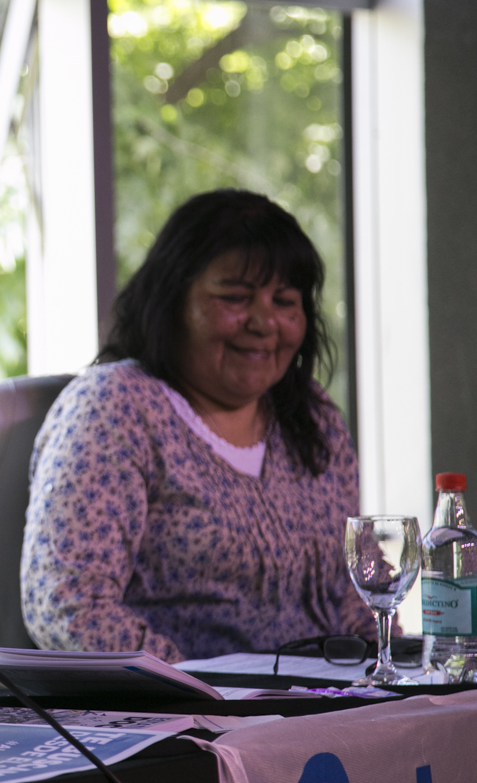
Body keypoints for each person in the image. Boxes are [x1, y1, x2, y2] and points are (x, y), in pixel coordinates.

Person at [20, 189, 373, 663]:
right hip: (182, 703)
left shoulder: (313, 416)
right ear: (172, 301)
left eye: (285, 301)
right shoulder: (116, 408)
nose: (264, 322)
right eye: (236, 298)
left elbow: (355, 591)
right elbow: (68, 607)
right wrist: (195, 683)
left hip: (321, 698)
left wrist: (389, 668)